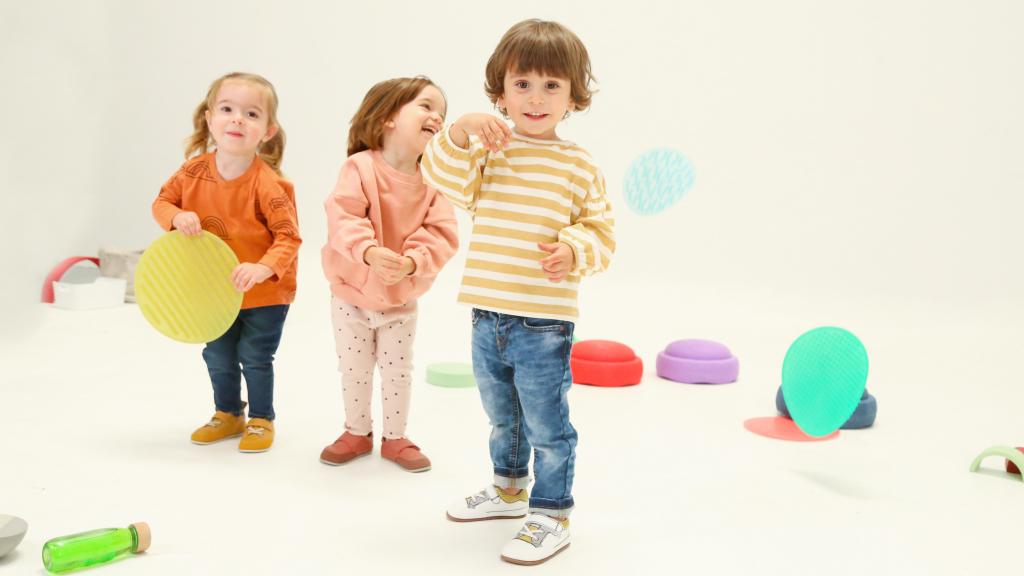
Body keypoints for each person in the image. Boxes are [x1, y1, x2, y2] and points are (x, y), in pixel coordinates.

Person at [421, 20, 615, 565]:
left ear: (573, 96)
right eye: (522, 84)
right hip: (488, 316)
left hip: (545, 323)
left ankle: (551, 513)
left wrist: (573, 249)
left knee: (547, 424)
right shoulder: (489, 150)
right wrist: (460, 130)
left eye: (552, 86)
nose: (535, 98)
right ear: (500, 92)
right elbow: (441, 174)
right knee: (502, 414)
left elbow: (602, 232)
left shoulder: (578, 165)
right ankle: (509, 491)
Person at [152, 72, 300, 453]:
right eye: (227, 109)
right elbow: (162, 202)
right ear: (209, 118)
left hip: (265, 293)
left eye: (251, 114)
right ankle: (228, 413)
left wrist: (261, 268)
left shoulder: (270, 185)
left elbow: (289, 237)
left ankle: (261, 419)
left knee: (255, 356)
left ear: (267, 131)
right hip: (214, 291)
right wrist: (175, 217)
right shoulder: (192, 172)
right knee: (217, 354)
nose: (237, 119)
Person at [320, 76, 459, 472]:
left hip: (400, 299)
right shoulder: (359, 167)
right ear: (387, 118)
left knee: (398, 370)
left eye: (442, 113)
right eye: (426, 105)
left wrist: (413, 261)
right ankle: (357, 431)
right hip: (350, 293)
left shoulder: (434, 182)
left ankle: (395, 438)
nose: (437, 117)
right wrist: (368, 251)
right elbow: (343, 214)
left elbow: (442, 233)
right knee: (355, 369)